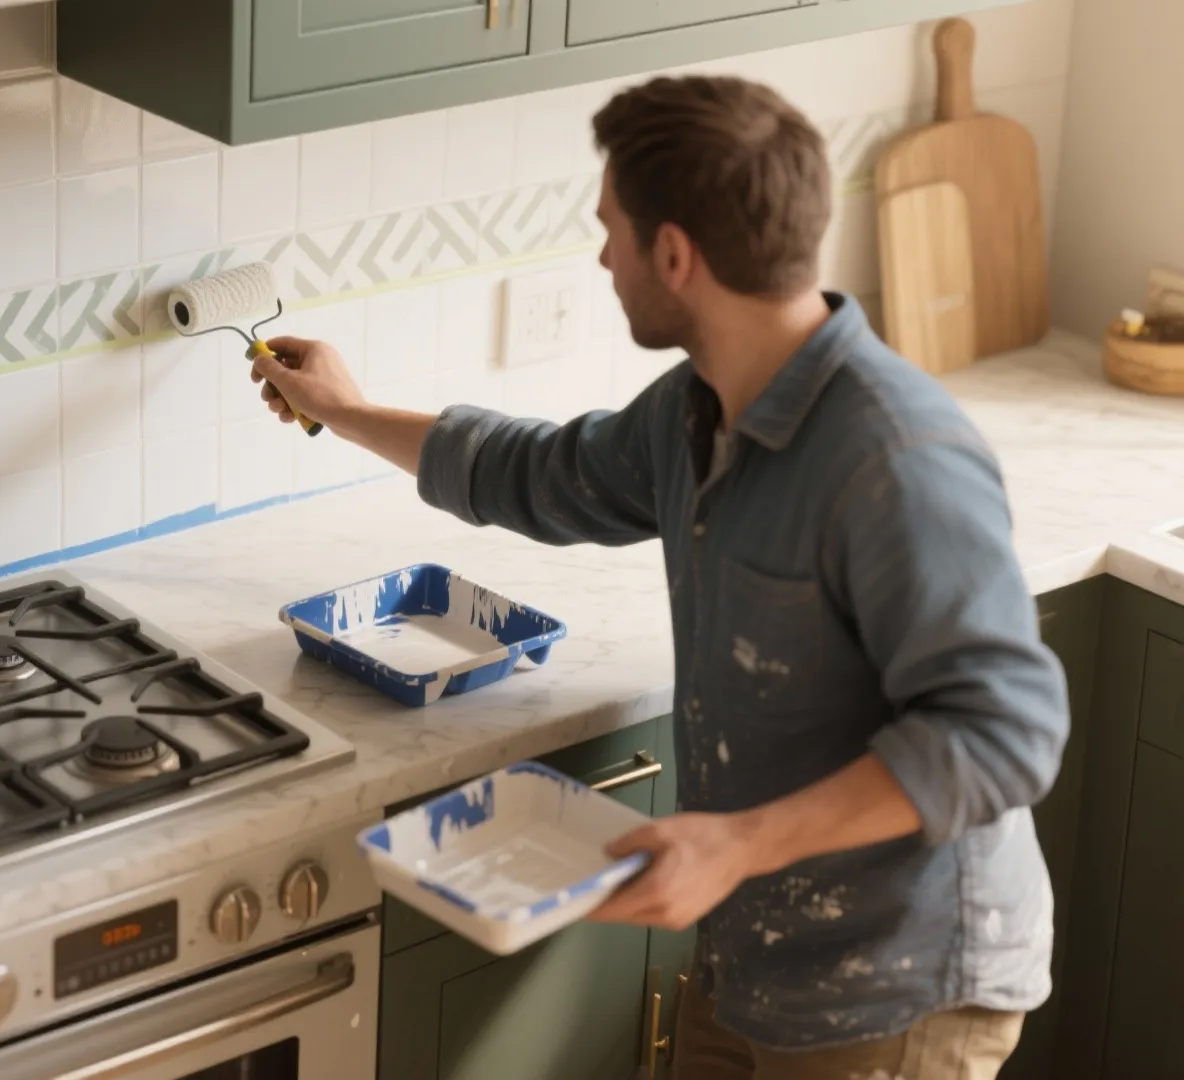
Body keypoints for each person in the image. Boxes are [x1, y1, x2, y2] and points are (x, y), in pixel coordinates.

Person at [249, 76, 1068, 1079]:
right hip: (750, 943)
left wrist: (735, 846)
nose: (601, 255)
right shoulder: (702, 406)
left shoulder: (894, 459)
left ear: (673, 255)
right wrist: (344, 408)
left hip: (893, 993)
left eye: (611, 230)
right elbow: (541, 473)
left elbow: (1004, 732)